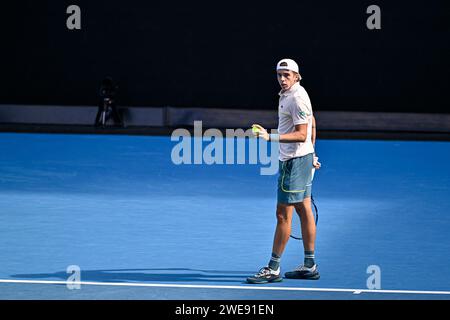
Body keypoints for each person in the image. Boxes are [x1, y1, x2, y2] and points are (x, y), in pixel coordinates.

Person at [247, 58, 321, 284]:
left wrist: (270, 136)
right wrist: (312, 152)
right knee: (303, 208)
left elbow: (301, 133)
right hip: (302, 158)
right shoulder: (293, 94)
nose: (282, 79)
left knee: (283, 214)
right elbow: (313, 122)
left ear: (297, 76)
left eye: (287, 75)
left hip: (295, 162)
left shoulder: (297, 98)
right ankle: (309, 265)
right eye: (279, 75)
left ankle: (273, 268)